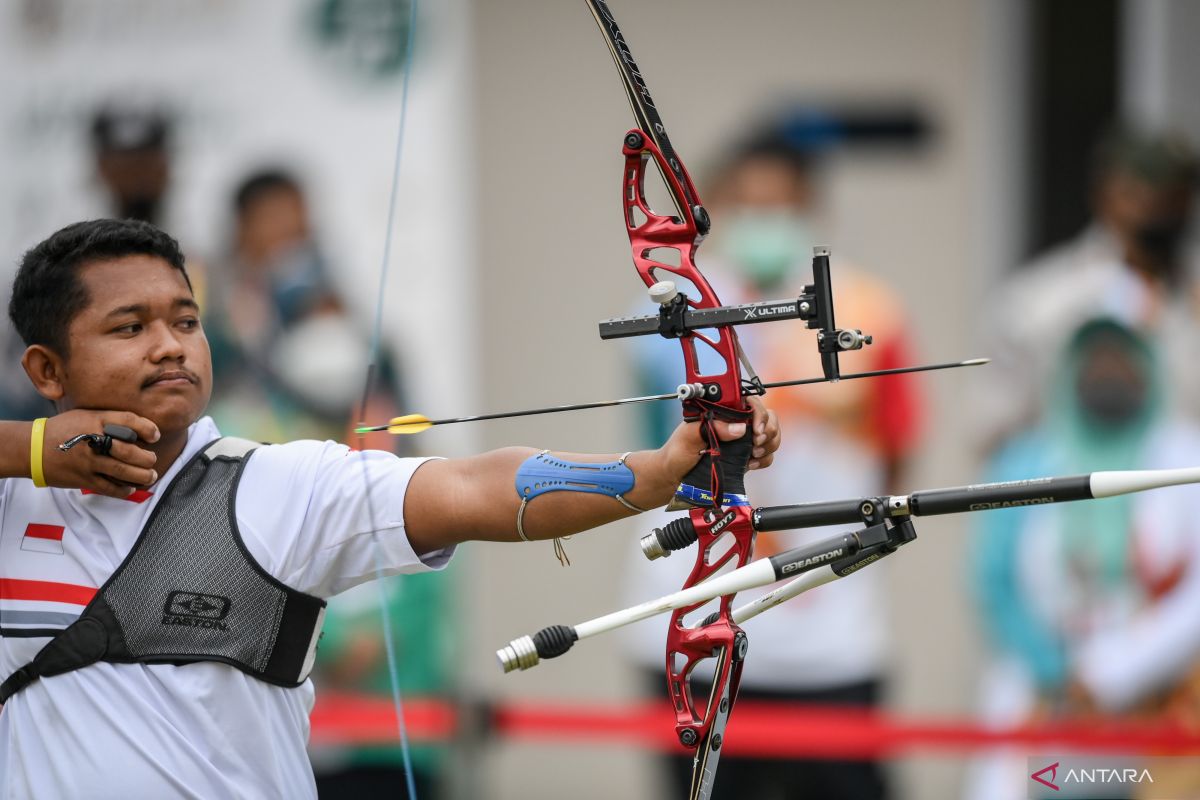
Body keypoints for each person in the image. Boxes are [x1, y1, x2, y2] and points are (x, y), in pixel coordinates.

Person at [0, 218, 780, 798]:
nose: (170, 345)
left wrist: (656, 473)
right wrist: (34, 454)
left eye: (185, 321)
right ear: (46, 368)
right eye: (129, 328)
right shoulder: (11, 497)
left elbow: (479, 488)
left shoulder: (272, 486)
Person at [624, 131, 922, 800]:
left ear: (811, 206)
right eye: (746, 203)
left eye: (778, 203)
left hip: (828, 634)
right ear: (718, 208)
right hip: (696, 620)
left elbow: (897, 452)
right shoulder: (672, 312)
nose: (761, 220)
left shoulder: (869, 308)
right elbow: (656, 457)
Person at [965, 318, 1200, 800]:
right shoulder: (1027, 462)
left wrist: (1121, 669)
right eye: (1095, 361)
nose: (1107, 373)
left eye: (1120, 361)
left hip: (1158, 698)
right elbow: (992, 579)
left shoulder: (1182, 460)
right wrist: (1057, 669)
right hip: (1045, 696)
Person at [974, 128, 1200, 449]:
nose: (1159, 211)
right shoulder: (1042, 302)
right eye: (1140, 194)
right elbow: (995, 428)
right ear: (1104, 195)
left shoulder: (1191, 294)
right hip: (1079, 492)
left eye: (1176, 197)